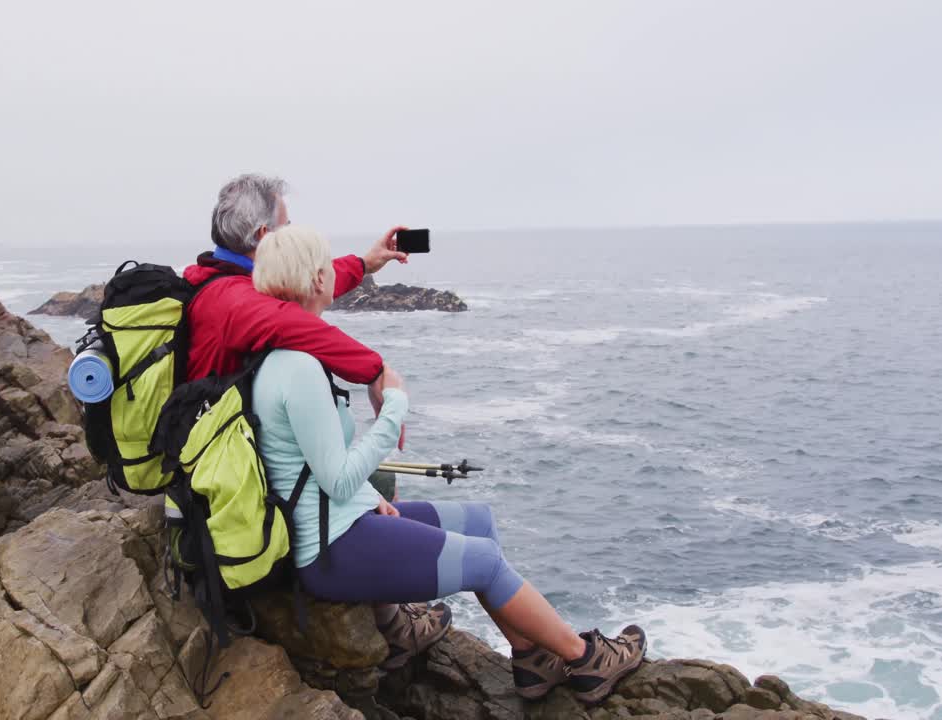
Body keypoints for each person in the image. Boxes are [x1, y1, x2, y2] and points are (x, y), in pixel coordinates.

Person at [250, 225, 648, 703]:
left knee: (478, 522)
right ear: (317, 280)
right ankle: (585, 661)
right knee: (483, 561)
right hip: (332, 548)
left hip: (343, 519)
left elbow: (307, 465)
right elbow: (335, 478)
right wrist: (394, 406)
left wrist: (372, 496)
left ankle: (531, 657)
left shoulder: (286, 354)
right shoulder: (296, 368)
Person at [182, 174, 446, 667]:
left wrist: (366, 263)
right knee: (375, 480)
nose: (294, 228)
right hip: (229, 462)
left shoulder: (227, 282)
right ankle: (391, 623)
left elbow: (304, 284)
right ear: (265, 238)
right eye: (287, 223)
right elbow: (300, 324)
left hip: (241, 439)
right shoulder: (236, 301)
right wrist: (378, 371)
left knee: (370, 483)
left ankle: (387, 610)